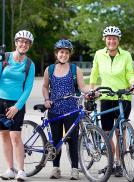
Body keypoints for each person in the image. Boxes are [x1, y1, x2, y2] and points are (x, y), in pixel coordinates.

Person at [89, 26, 134, 177]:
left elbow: (130, 72)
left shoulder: (126, 55)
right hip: (105, 97)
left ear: (118, 40)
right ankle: (111, 163)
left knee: (120, 132)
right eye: (109, 38)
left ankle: (119, 163)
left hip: (123, 97)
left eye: (114, 38)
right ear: (105, 40)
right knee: (108, 132)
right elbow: (94, 73)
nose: (111, 41)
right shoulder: (98, 54)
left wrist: (133, 83)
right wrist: (92, 90)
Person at [0, 30, 35, 181]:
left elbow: (28, 88)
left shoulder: (29, 64)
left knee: (15, 136)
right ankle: (9, 169)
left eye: (26, 42)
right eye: (20, 41)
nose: (23, 44)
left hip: (16, 104)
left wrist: (17, 106)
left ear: (29, 46)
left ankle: (21, 170)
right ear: (16, 43)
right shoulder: (5, 57)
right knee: (4, 136)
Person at [42, 39, 90, 180]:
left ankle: (74, 169)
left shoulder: (75, 70)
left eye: (66, 53)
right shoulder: (49, 69)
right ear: (57, 54)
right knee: (56, 141)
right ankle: (56, 168)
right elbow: (45, 87)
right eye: (61, 52)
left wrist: (90, 92)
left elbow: (82, 87)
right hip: (54, 110)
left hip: (71, 110)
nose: (63, 55)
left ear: (69, 54)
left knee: (72, 141)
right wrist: (46, 99)